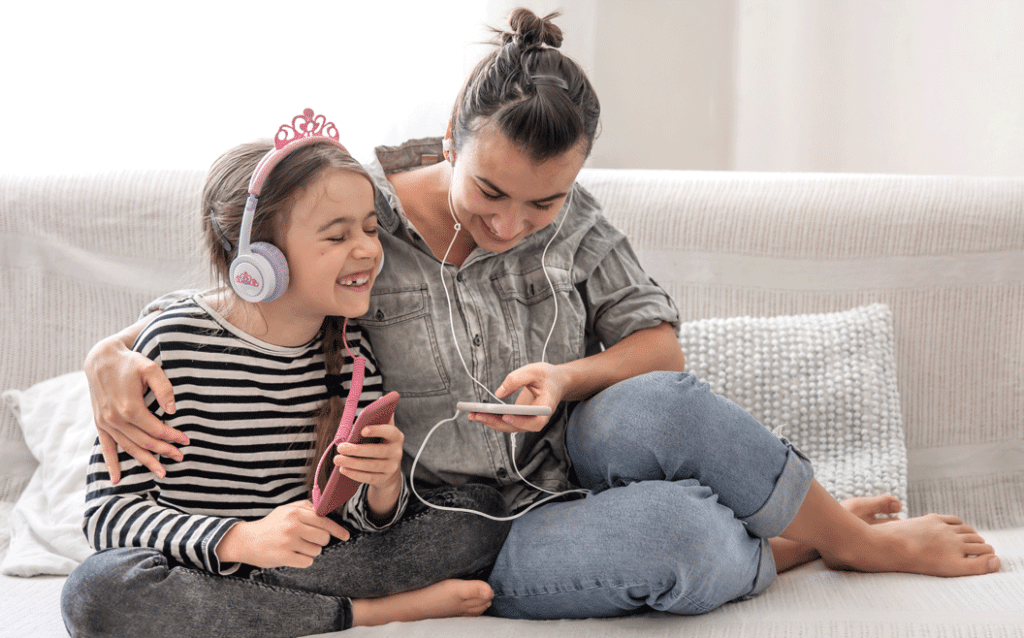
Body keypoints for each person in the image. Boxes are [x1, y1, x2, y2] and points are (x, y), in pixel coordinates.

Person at [84, 9, 1000, 623]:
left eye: (543, 204)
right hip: (470, 524)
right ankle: (785, 544)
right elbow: (250, 289)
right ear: (450, 136)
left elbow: (657, 346)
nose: (509, 224)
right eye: (489, 190)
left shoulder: (578, 219)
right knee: (675, 538)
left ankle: (855, 542)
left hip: (575, 460)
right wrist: (107, 352)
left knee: (661, 402)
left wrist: (567, 379)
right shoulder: (357, 215)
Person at [62, 111, 511, 638]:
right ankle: (365, 612)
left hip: (313, 560)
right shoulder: (169, 346)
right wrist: (240, 539)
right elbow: (109, 515)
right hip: (199, 562)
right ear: (261, 259)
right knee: (96, 591)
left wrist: (384, 483)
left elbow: (357, 521)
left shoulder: (353, 351)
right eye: (336, 236)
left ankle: (259, 610)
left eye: (369, 228)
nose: (367, 248)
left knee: (479, 512)